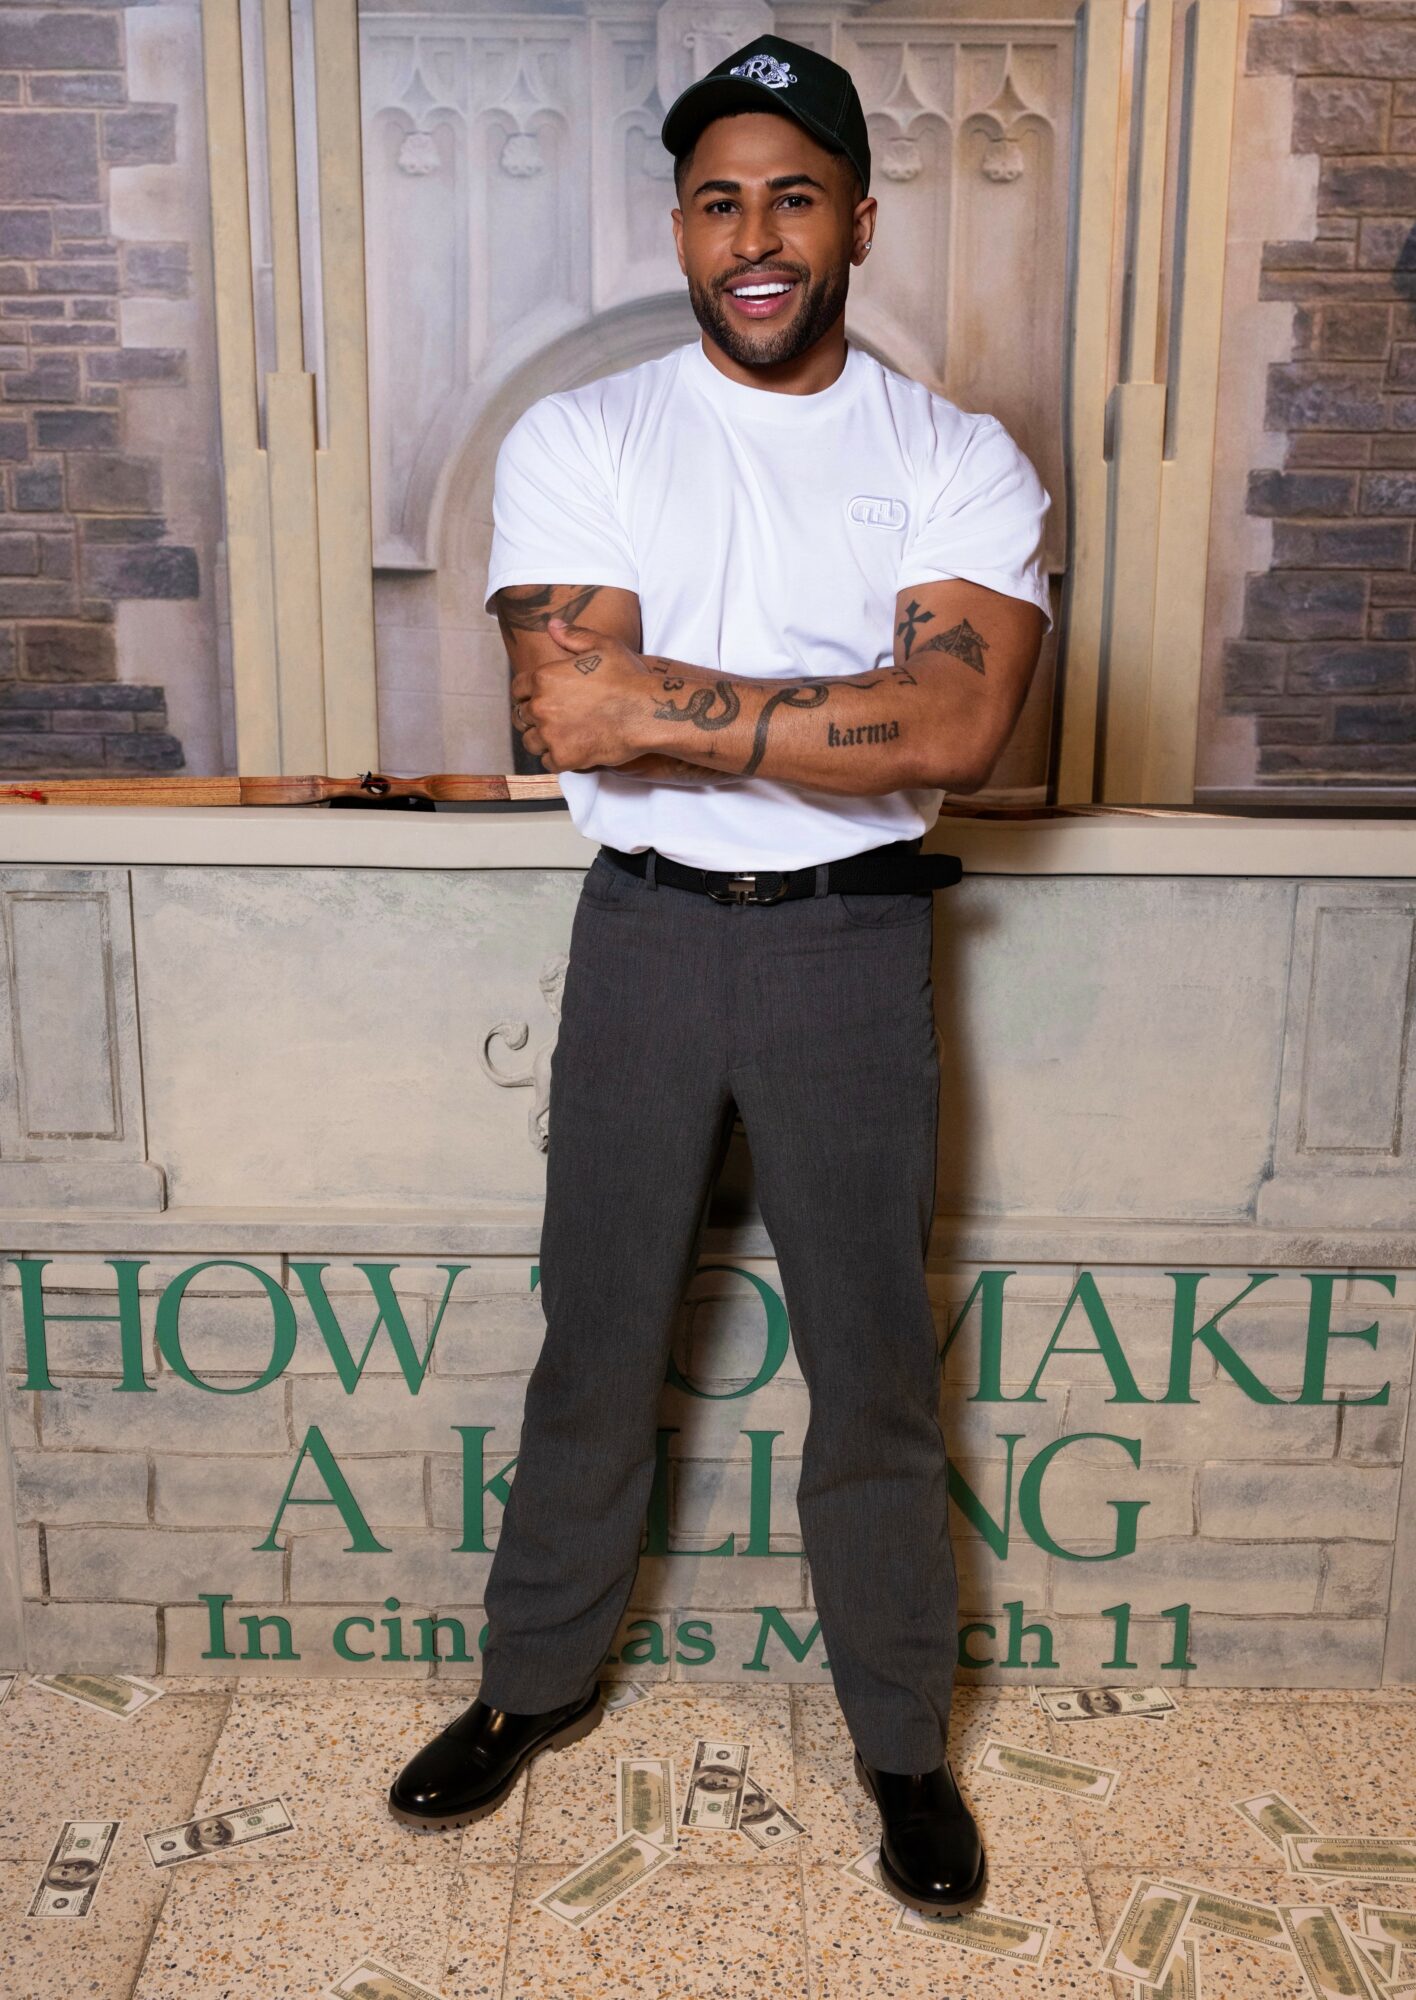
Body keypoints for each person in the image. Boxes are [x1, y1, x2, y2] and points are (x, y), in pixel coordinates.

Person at [388, 33, 1052, 1917]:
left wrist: (686, 707)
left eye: (791, 195)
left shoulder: (955, 458)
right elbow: (562, 709)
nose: (753, 237)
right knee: (595, 1338)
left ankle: (904, 1744)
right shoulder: (586, 436)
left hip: (856, 944)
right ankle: (529, 1691)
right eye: (715, 200)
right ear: (680, 227)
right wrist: (836, 716)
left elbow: (957, 730)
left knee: (872, 1371)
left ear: (855, 213)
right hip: (649, 938)